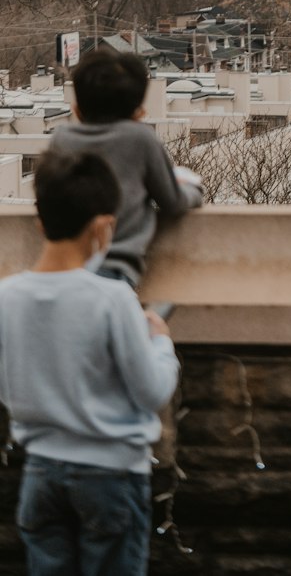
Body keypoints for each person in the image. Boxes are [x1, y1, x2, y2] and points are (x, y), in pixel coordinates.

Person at [0, 149, 179, 575]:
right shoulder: (111, 299)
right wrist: (160, 343)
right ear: (104, 227)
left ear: (41, 221)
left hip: (41, 473)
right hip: (110, 475)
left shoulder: (6, 297)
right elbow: (151, 390)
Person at [49, 48, 203, 288]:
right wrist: (193, 189)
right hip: (116, 269)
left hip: (64, 266)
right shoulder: (140, 138)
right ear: (139, 112)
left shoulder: (61, 139)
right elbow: (172, 202)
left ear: (76, 109)